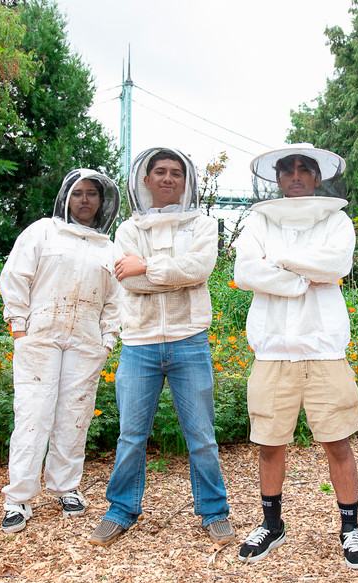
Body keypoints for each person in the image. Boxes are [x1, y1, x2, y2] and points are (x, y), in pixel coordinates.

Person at [233, 144, 358, 569]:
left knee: (337, 441)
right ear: (277, 178)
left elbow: (335, 265)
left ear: (316, 176)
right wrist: (299, 278)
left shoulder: (336, 219)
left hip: (323, 348)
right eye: (287, 169)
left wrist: (277, 261)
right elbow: (244, 272)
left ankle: (350, 527)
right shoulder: (259, 220)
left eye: (304, 169)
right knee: (270, 443)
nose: (295, 175)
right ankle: (271, 525)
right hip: (272, 349)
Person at [89, 147, 234, 547]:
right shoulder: (128, 231)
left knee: (201, 434)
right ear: (146, 180)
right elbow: (128, 280)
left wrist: (148, 267)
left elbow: (198, 269)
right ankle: (120, 510)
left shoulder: (202, 225)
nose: (168, 178)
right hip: (140, 342)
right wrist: (166, 273)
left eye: (176, 173)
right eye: (160, 172)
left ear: (186, 182)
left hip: (190, 340)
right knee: (131, 435)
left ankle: (214, 512)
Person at [0, 168, 122, 534]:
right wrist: (18, 326)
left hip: (86, 340)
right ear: (66, 197)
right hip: (40, 335)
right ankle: (18, 498)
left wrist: (107, 339)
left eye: (92, 194)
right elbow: (16, 276)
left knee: (76, 413)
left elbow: (116, 299)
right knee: (33, 411)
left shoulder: (108, 247)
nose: (85, 200)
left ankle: (66, 487)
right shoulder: (42, 232)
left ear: (102, 202)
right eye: (78, 193)